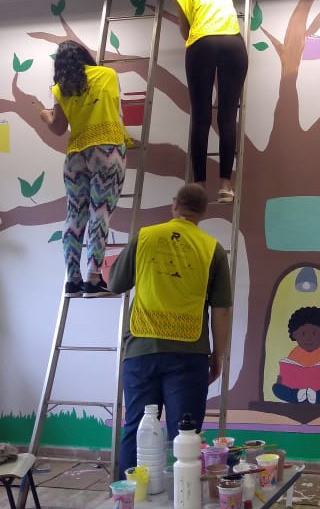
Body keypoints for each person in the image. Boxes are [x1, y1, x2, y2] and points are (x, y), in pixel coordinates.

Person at [108, 183, 232, 477]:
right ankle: (181, 499)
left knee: (137, 428)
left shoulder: (145, 237)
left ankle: (129, 499)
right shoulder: (212, 249)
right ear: (203, 212)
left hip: (141, 348)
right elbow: (222, 309)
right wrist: (218, 355)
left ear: (174, 204)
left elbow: (115, 284)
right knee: (185, 434)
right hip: (189, 354)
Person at [40, 40, 130, 297]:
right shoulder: (107, 75)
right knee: (99, 212)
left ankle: (72, 279)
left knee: (74, 216)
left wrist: (45, 115)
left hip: (76, 154)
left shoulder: (61, 89)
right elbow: (115, 110)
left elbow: (58, 128)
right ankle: (93, 278)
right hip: (107, 149)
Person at [168, 0, 248, 203]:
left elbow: (185, 31)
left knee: (201, 116)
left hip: (202, 43)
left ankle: (199, 185)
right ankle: (226, 185)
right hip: (234, 43)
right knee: (227, 115)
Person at [272, 306, 320, 405]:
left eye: (314, 333)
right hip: (295, 391)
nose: (309, 338)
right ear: (294, 334)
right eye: (303, 333)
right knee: (277, 388)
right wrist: (282, 382)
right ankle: (298, 395)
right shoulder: (293, 354)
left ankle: (316, 397)